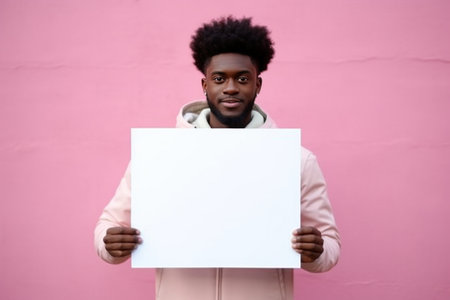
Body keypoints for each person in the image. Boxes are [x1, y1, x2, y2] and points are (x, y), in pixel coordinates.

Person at [95, 16, 340, 300]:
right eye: (220, 78)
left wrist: (315, 251)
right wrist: (110, 243)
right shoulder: (158, 157)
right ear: (205, 84)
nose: (231, 87)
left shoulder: (297, 160)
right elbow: (108, 225)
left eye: (243, 78)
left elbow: (330, 246)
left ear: (258, 85)